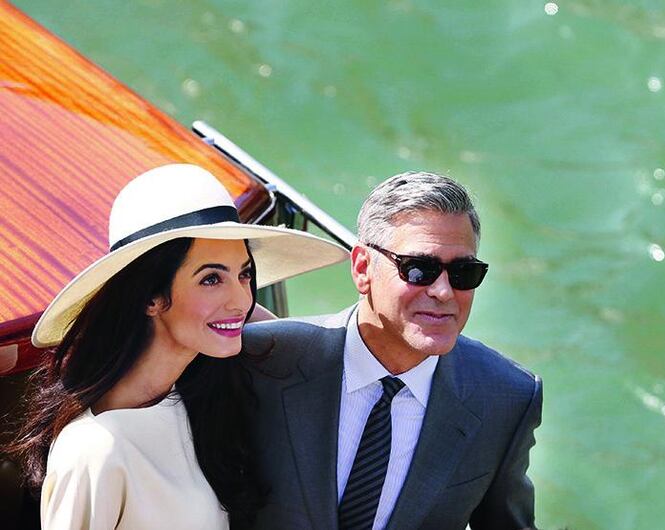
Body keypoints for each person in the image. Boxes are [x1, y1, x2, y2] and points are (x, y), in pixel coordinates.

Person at [4, 164, 348, 529]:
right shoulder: (95, 449)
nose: (240, 299)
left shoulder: (192, 398)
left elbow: (293, 345)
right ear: (150, 297)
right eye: (211, 279)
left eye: (245, 274)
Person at [243, 171, 543, 530]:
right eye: (420, 269)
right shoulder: (259, 361)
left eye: (464, 272)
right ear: (362, 268)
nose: (444, 292)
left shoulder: (506, 399)